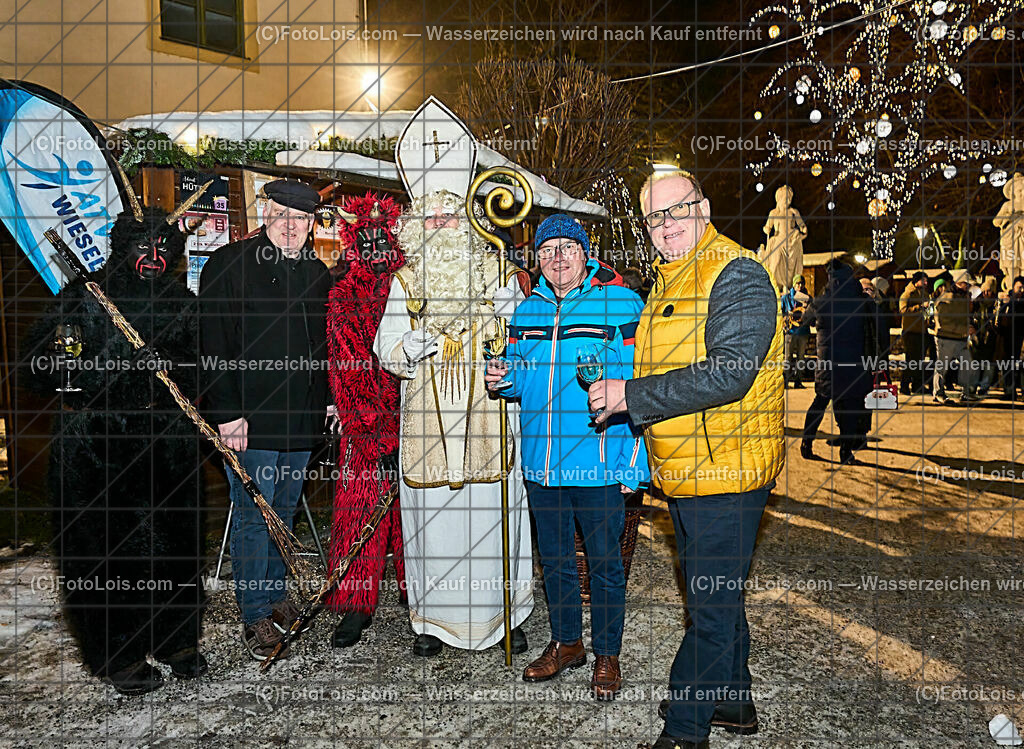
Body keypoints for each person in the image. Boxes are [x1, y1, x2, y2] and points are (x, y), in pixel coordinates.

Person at [590, 169, 784, 749]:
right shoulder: (674, 279)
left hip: (726, 470)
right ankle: (733, 701)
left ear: (704, 206)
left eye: (676, 210)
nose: (665, 225)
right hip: (690, 468)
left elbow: (730, 372)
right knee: (715, 594)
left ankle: (684, 729)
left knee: (710, 608)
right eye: (654, 217)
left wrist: (633, 396)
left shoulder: (737, 274)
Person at [25, 200, 209, 695]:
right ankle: (119, 654)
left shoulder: (184, 303)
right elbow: (33, 371)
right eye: (143, 246)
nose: (154, 255)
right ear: (122, 249)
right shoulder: (84, 298)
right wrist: (104, 363)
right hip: (95, 446)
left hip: (167, 444)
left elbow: (206, 374)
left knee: (175, 548)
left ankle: (177, 639)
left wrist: (170, 362)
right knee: (107, 555)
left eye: (165, 247)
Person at [484, 214, 647, 700]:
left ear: (585, 252)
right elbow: (519, 376)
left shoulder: (619, 302)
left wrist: (633, 463)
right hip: (541, 463)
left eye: (567, 248)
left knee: (604, 564)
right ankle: (567, 642)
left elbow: (643, 388)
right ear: (536, 259)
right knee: (554, 562)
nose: (557, 258)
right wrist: (503, 379)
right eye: (547, 250)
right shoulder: (526, 312)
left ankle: (608, 654)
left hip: (597, 460)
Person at [374, 188, 535, 657]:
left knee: (494, 513)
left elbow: (528, 335)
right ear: (414, 227)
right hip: (429, 418)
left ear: (468, 223)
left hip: (489, 411)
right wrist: (407, 346)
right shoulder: (405, 280)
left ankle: (504, 616)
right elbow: (385, 346)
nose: (441, 225)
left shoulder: (498, 270)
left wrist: (513, 319)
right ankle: (433, 621)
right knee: (433, 521)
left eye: (450, 215)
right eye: (430, 218)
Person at [199, 178, 333, 660]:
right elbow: (213, 346)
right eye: (282, 216)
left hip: (301, 419)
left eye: (301, 219)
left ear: (312, 225)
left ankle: (276, 597)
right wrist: (228, 415)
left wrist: (329, 402)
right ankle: (256, 614)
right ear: (265, 215)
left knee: (283, 512)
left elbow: (321, 348)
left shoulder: (318, 273)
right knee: (254, 516)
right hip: (249, 419)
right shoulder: (229, 265)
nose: (291, 227)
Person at [323, 192, 407, 648]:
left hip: (415, 421)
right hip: (364, 425)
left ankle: (424, 603)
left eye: (383, 242)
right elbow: (345, 367)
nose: (376, 253)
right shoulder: (343, 297)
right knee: (361, 512)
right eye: (366, 244)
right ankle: (355, 606)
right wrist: (373, 433)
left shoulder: (412, 288)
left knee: (417, 519)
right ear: (354, 247)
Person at [800, 259, 875, 463]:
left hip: (828, 364)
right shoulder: (860, 301)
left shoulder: (821, 301)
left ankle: (806, 443)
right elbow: (874, 327)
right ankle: (846, 452)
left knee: (820, 402)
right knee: (848, 408)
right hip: (853, 363)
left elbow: (806, 321)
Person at [931, 276, 977, 404]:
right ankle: (938, 393)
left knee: (967, 364)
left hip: (960, 337)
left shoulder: (964, 297)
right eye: (966, 283)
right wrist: (964, 328)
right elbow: (942, 322)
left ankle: (966, 392)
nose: (968, 286)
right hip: (945, 338)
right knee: (942, 367)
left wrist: (970, 325)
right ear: (958, 282)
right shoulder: (946, 297)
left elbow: (964, 317)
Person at [899, 271, 931, 395]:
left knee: (920, 360)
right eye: (923, 280)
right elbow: (903, 310)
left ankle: (918, 384)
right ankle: (905, 385)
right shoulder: (908, 294)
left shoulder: (925, 294)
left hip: (922, 331)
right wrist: (919, 307)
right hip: (910, 331)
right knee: (911, 360)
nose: (926, 283)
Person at [781, 274, 812, 387]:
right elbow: (780, 314)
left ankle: (798, 381)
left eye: (801, 283)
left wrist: (806, 307)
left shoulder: (808, 298)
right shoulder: (786, 298)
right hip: (790, 331)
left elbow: (812, 314)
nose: (800, 285)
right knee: (787, 358)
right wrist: (786, 317)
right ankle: (785, 381)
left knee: (801, 357)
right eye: (797, 283)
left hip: (803, 331)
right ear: (793, 284)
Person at [996, 276, 1024, 401]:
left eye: (1023, 288)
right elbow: (999, 316)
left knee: (1021, 366)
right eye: (1019, 287)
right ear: (1013, 287)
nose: (1022, 290)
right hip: (1007, 336)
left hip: (1020, 337)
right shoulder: (1006, 300)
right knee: (1007, 365)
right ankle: (1009, 391)